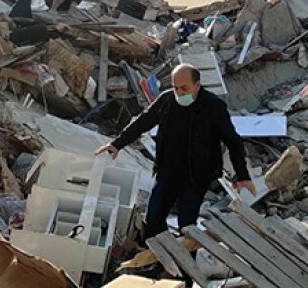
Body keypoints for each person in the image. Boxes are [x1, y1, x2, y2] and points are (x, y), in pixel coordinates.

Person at [95, 64, 256, 238]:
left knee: (186, 225)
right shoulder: (167, 101)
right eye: (175, 88)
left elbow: (232, 141)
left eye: (184, 88)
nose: (179, 93)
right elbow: (143, 122)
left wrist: (243, 176)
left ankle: (185, 262)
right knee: (153, 218)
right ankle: (159, 260)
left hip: (196, 177)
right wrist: (117, 144)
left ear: (197, 85)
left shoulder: (213, 106)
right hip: (167, 171)